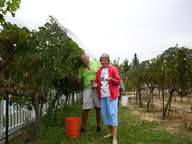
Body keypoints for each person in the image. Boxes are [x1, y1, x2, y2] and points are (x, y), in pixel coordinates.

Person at [96, 53, 120, 144]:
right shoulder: (99, 71)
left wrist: (111, 80)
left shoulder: (113, 69)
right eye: (102, 60)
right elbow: (99, 83)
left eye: (105, 60)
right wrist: (96, 85)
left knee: (112, 114)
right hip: (102, 96)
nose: (103, 61)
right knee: (105, 115)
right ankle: (110, 132)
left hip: (111, 96)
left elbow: (118, 81)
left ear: (108, 60)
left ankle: (114, 138)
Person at [79, 54, 101, 132]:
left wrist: (98, 82)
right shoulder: (81, 69)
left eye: (85, 59)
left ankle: (98, 126)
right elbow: (80, 81)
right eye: (83, 60)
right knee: (86, 108)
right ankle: (83, 127)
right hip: (87, 89)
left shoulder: (96, 63)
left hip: (96, 88)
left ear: (88, 58)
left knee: (98, 107)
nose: (84, 61)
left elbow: (102, 72)